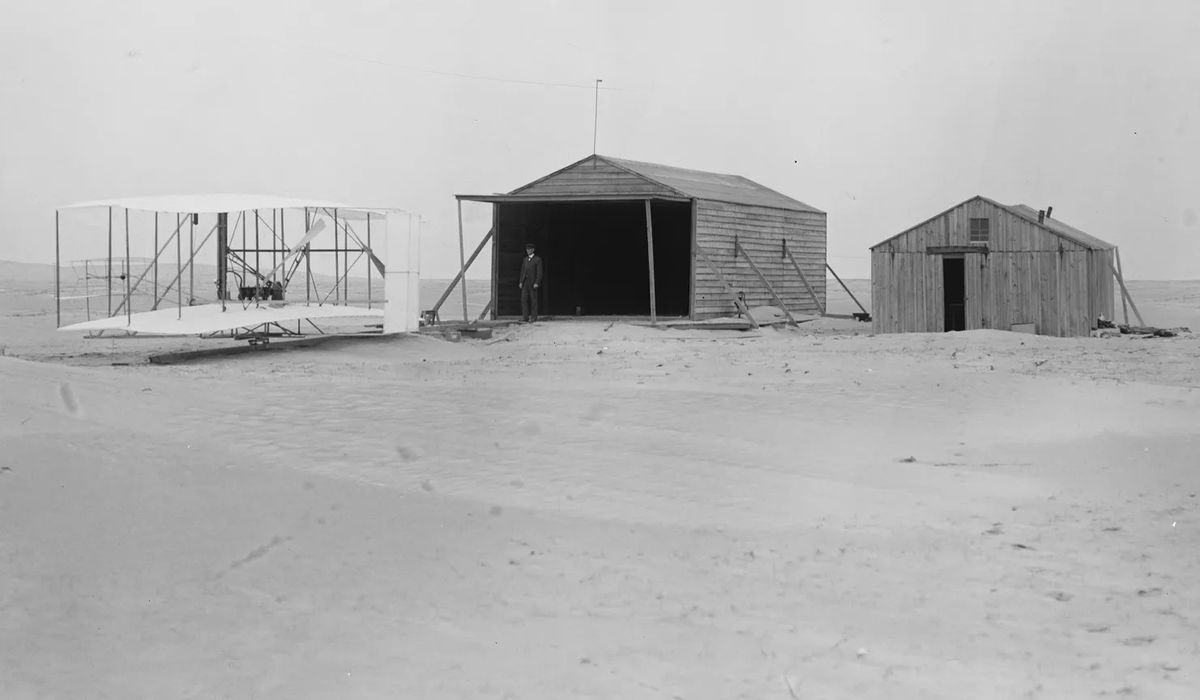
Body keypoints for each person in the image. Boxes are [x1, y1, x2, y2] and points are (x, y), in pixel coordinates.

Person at [518, 243, 543, 322]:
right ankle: (525, 317)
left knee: (533, 300)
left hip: (533, 283)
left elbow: (539, 272)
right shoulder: (525, 259)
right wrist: (521, 282)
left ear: (533, 250)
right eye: (527, 249)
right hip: (525, 282)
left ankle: (533, 317)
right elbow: (523, 271)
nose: (528, 251)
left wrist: (537, 282)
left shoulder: (537, 259)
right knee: (524, 299)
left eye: (529, 249)